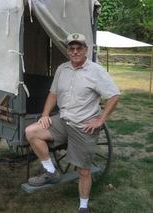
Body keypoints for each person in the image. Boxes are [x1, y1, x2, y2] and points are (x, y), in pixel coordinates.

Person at [25, 33, 120, 213]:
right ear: (68, 50)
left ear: (86, 50)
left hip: (83, 126)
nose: (75, 52)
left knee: (83, 171)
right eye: (72, 48)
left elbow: (114, 95)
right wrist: (45, 114)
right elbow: (53, 93)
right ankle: (51, 172)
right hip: (63, 120)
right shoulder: (62, 69)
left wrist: (100, 119)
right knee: (32, 131)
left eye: (79, 48)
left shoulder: (95, 71)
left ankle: (83, 206)